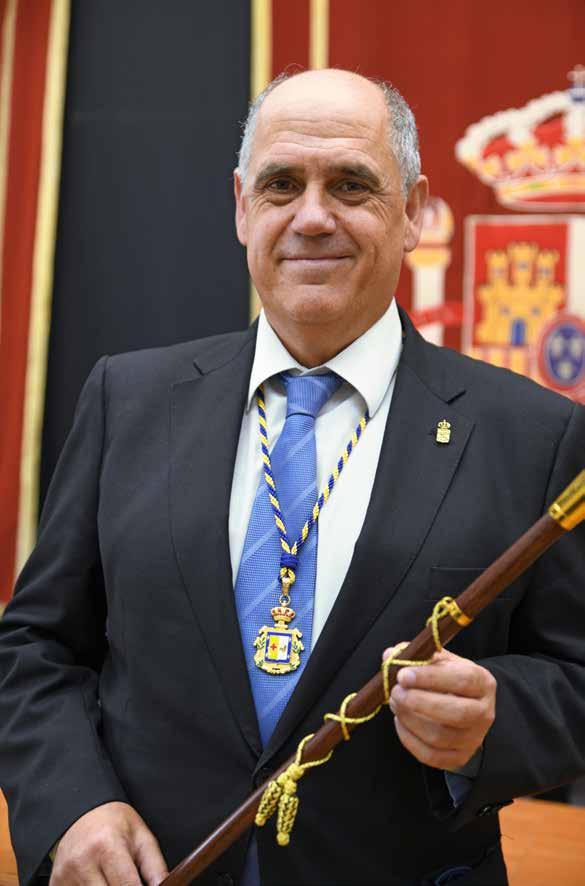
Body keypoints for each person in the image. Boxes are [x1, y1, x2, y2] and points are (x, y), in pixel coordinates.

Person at [0, 68, 584, 886]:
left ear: (413, 210)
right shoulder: (125, 401)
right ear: (243, 207)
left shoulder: (534, 435)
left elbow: (573, 679)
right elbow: (35, 647)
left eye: (350, 184)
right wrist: (70, 806)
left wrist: (497, 718)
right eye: (281, 185)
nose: (311, 217)